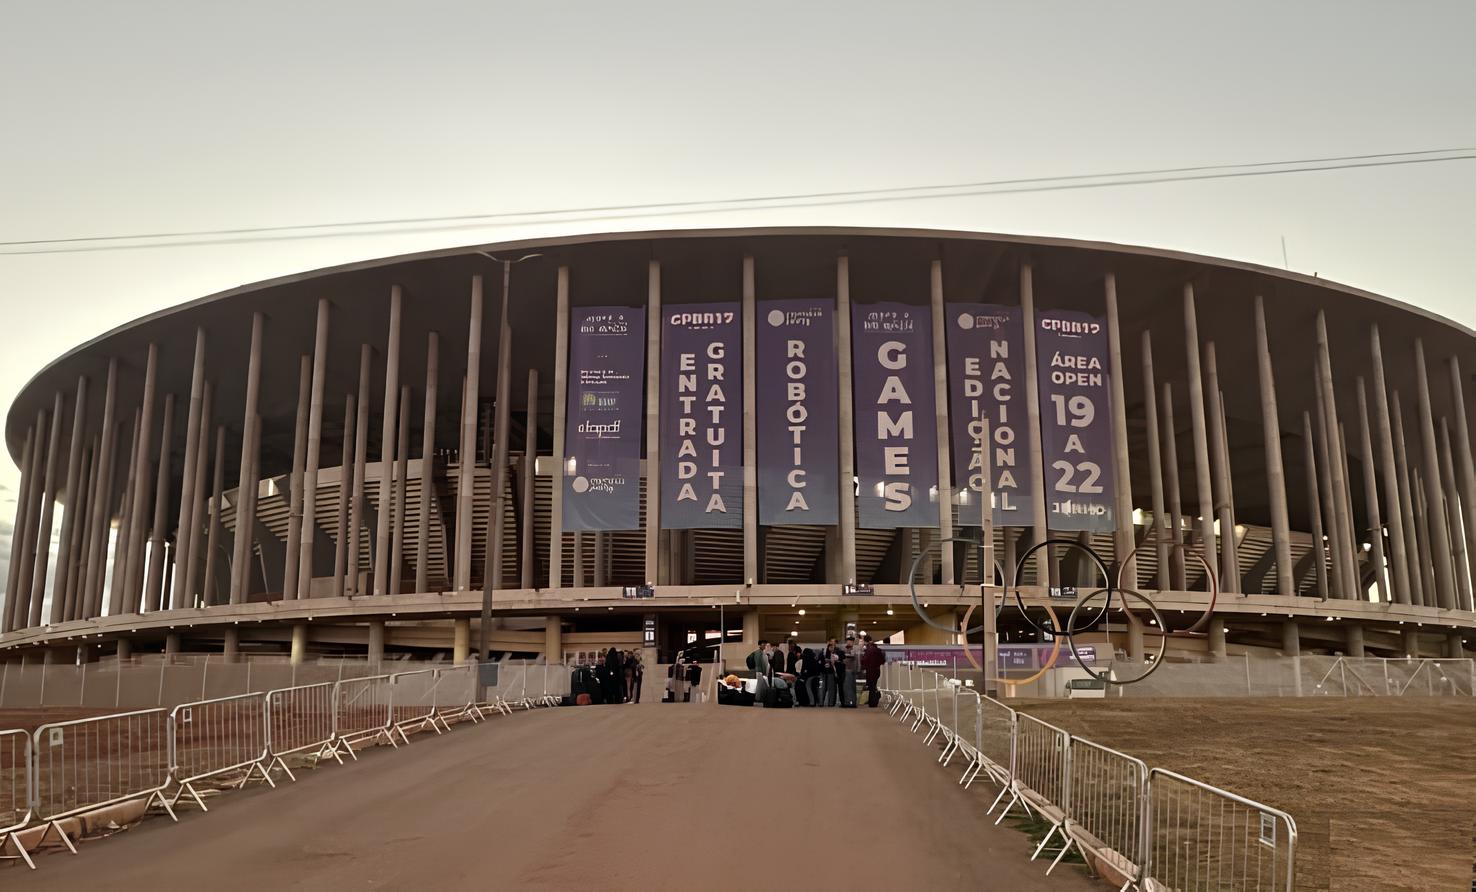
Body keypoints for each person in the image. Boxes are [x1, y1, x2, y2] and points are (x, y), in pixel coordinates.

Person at [860, 634, 886, 708]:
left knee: (871, 687)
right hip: (877, 670)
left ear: (865, 642)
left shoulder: (868, 650)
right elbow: (882, 660)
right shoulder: (877, 649)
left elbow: (864, 660)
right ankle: (873, 701)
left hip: (870, 670)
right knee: (873, 686)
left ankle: (872, 702)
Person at [841, 638, 859, 708]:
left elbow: (852, 656)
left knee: (850, 687)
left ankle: (851, 702)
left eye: (850, 642)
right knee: (846, 687)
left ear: (853, 642)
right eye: (847, 641)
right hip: (845, 670)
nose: (848, 643)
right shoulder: (845, 649)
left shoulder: (853, 650)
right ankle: (847, 702)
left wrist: (843, 655)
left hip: (850, 670)